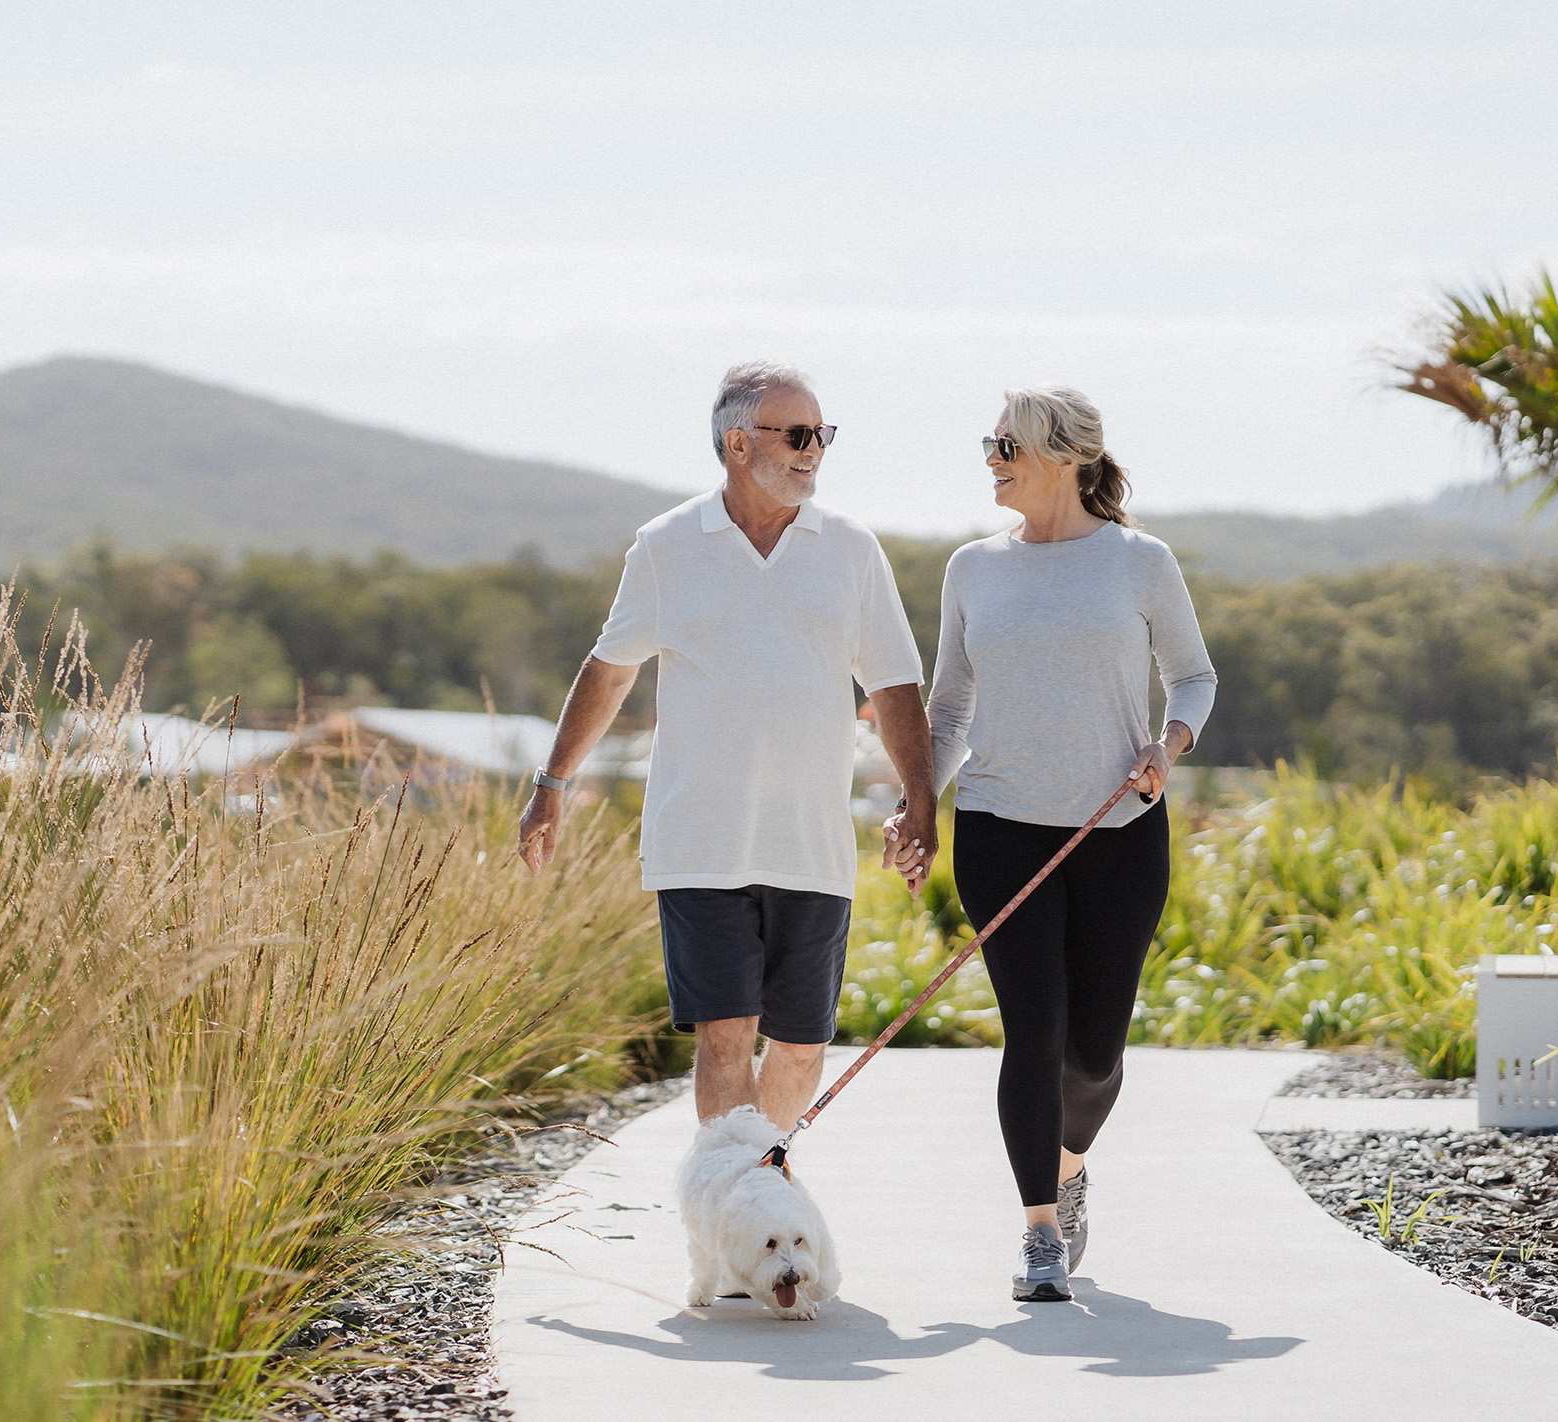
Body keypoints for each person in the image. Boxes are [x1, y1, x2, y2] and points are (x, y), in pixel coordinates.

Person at [518, 361, 937, 1135]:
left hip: (810, 846)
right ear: (738, 443)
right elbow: (607, 674)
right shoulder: (667, 545)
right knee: (725, 1041)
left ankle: (760, 1193)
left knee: (804, 1049)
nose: (816, 450)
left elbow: (896, 689)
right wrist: (552, 783)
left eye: (824, 434)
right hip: (698, 842)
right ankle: (738, 1220)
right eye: (799, 434)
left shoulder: (850, 549)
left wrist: (922, 803)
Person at [926, 385, 1217, 1302]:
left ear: (1065, 455)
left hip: (1117, 830)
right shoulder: (974, 568)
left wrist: (1165, 747)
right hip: (1000, 827)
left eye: (1004, 442)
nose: (991, 456)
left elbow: (1194, 676)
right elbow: (947, 706)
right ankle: (1039, 1232)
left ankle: (1069, 1166)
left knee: (1093, 1050)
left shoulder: (1139, 561)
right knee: (1033, 1031)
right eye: (990, 441)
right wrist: (912, 804)